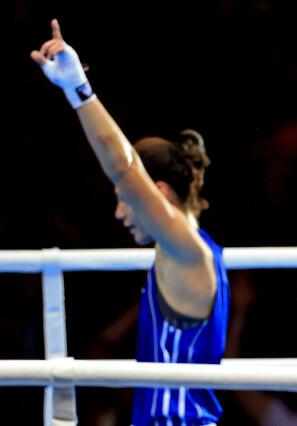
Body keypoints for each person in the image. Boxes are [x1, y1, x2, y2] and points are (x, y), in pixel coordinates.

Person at [31, 19, 230, 425]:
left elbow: (121, 166)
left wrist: (78, 92)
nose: (120, 212)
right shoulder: (187, 252)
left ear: (157, 194)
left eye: (125, 200)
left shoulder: (188, 251)